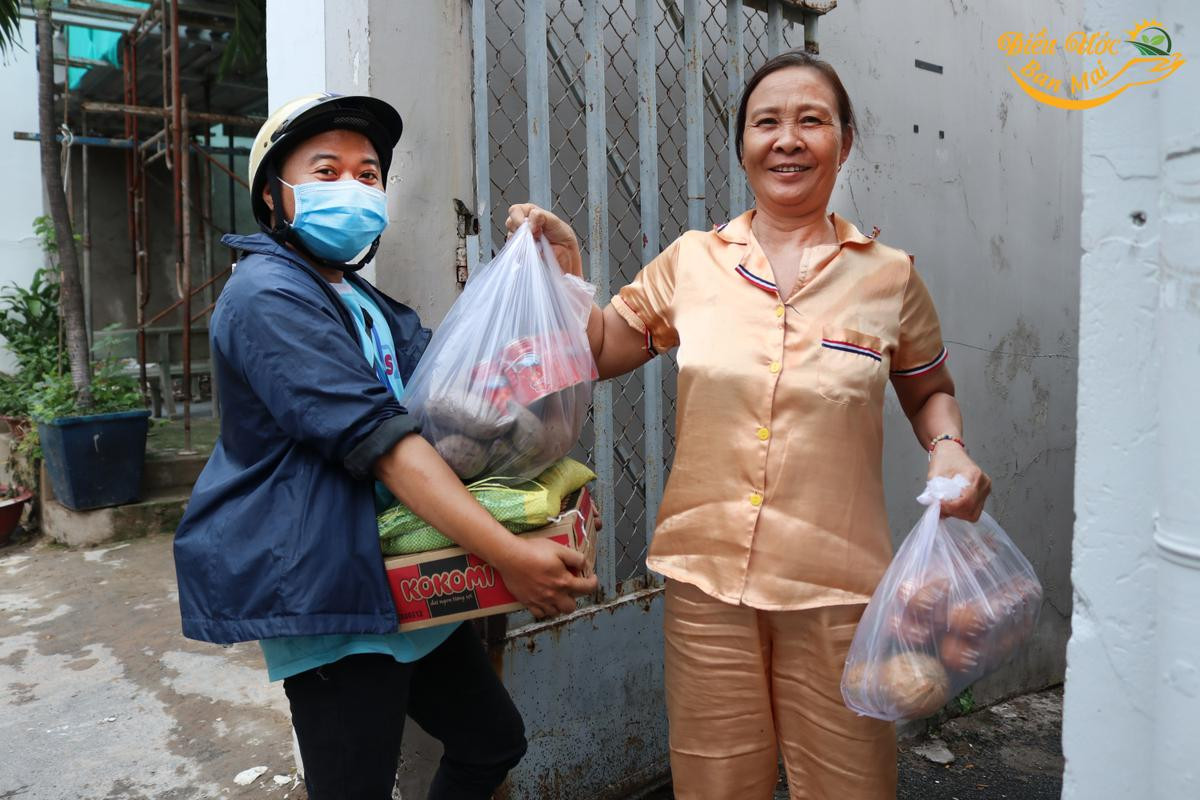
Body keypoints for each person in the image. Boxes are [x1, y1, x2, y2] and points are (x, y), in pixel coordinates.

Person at [507, 51, 991, 799]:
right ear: (743, 147)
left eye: (811, 121)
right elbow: (603, 351)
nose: (787, 139)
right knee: (715, 786)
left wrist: (950, 445)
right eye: (767, 122)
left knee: (850, 786)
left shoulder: (890, 276)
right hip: (708, 588)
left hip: (837, 591)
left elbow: (930, 393)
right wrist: (567, 273)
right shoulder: (693, 263)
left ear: (845, 142)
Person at [172, 92, 597, 800]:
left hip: (397, 580)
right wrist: (511, 555)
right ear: (275, 198)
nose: (353, 188)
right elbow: (389, 445)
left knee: (492, 741)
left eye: (368, 175)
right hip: (330, 590)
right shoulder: (267, 296)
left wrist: (557, 276)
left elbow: (487, 394)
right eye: (327, 171)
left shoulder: (364, 301)